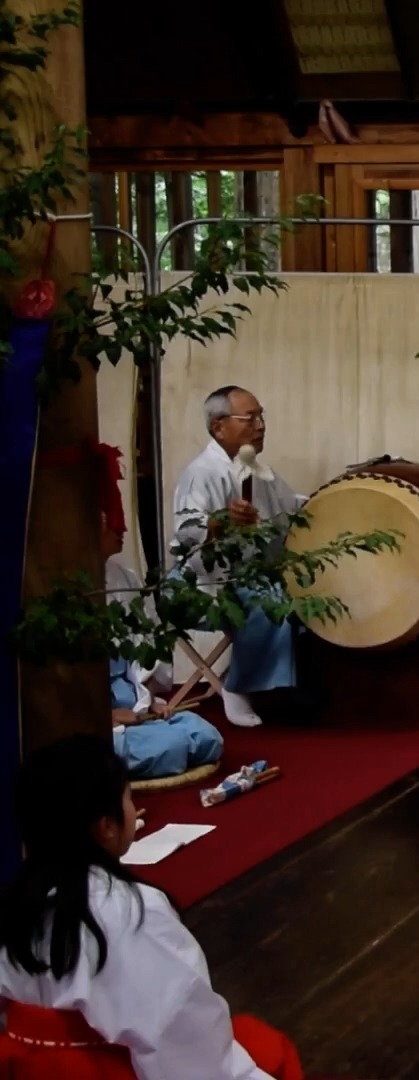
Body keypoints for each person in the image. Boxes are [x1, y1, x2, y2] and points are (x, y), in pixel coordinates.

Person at [0, 736, 302, 1079]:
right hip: (108, 1070)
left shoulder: (16, 903)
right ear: (107, 827)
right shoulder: (127, 911)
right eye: (129, 798)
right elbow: (179, 1033)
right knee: (266, 1048)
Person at [171, 386, 305, 727]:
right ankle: (238, 686)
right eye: (251, 418)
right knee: (269, 600)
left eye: (262, 416)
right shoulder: (203, 472)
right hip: (199, 584)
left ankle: (259, 679)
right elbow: (189, 529)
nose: (260, 425)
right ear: (219, 427)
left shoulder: (259, 471)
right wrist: (220, 522)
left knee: (302, 597)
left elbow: (292, 510)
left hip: (246, 577)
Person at [103, 513, 223, 781]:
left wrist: (147, 700)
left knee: (207, 737)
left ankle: (155, 737)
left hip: (132, 701)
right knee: (171, 746)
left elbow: (146, 638)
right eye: (112, 522)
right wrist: (105, 714)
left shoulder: (125, 577)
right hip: (103, 716)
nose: (121, 528)